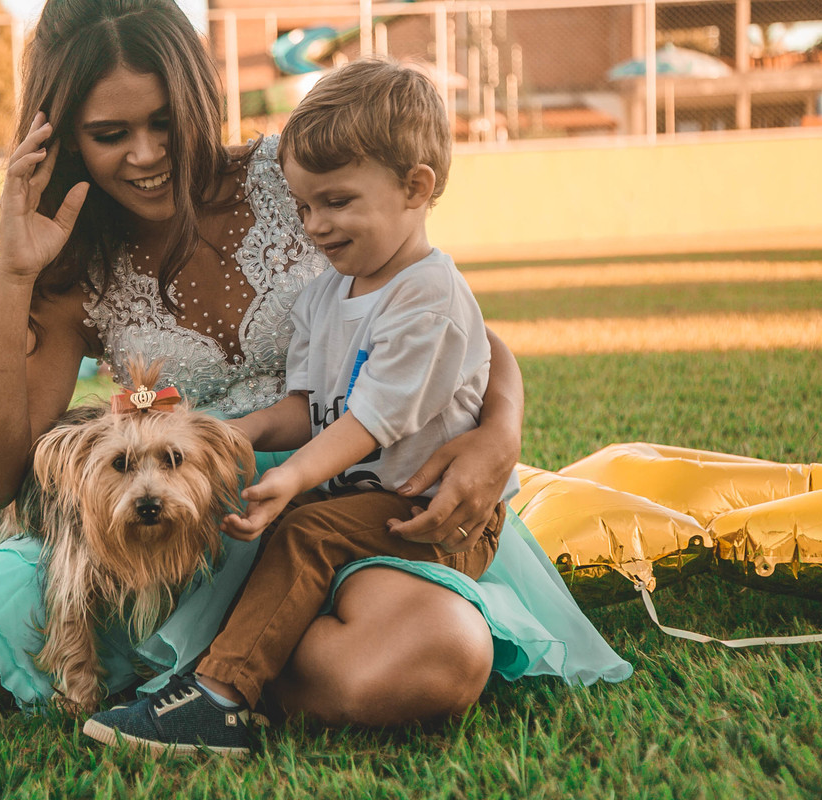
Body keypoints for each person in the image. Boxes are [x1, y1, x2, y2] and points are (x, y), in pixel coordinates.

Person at [0, 0, 629, 725]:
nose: (148, 155)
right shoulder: (74, 254)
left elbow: (448, 324)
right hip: (159, 534)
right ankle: (195, 664)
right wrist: (14, 278)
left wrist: (503, 429)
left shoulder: (297, 179)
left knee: (435, 659)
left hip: (342, 505)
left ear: (197, 95)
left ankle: (206, 676)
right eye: (110, 134)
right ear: (65, 138)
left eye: (164, 121)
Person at [81, 60, 523, 756]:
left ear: (416, 187)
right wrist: (236, 433)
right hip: (366, 498)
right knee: (302, 530)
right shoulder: (327, 294)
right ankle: (233, 674)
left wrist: (290, 478)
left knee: (303, 532)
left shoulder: (427, 296)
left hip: (430, 507)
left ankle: (222, 696)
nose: (316, 225)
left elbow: (371, 421)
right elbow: (306, 407)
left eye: (338, 202)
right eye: (304, 206)